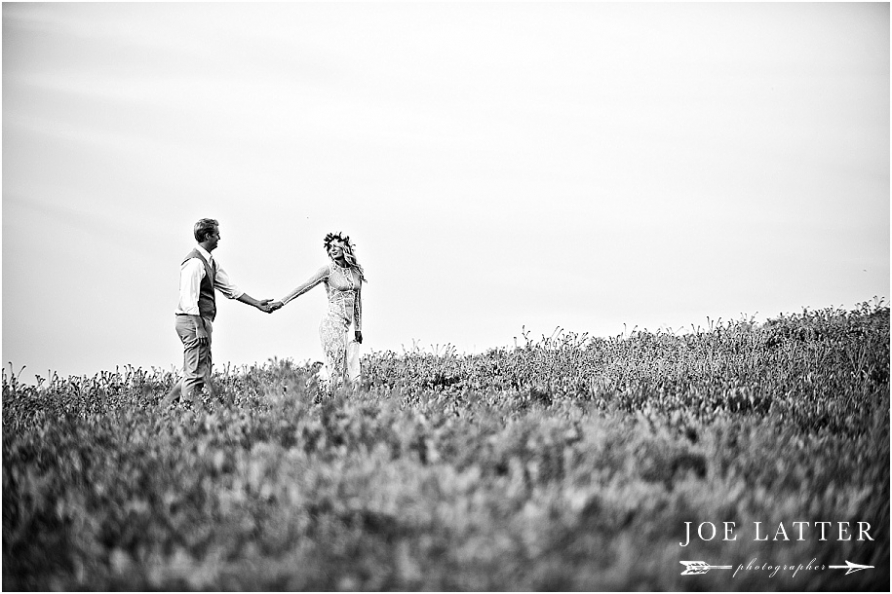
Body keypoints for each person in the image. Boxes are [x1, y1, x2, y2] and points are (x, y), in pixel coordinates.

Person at [163, 218, 275, 406]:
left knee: (201, 371)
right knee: (195, 373)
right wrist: (199, 327)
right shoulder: (195, 263)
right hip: (193, 321)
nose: (219, 238)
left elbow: (230, 289)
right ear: (207, 236)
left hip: (200, 321)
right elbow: (188, 299)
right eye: (216, 234)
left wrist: (257, 304)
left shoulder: (210, 262)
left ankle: (164, 408)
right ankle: (185, 413)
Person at [269, 232, 365, 386]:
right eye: (330, 247)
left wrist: (358, 328)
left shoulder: (356, 273)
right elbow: (305, 286)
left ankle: (310, 387)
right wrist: (282, 302)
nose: (333, 249)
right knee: (336, 368)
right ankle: (314, 390)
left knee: (343, 367)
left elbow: (357, 303)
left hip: (345, 327)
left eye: (336, 245)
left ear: (345, 247)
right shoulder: (327, 270)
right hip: (331, 324)